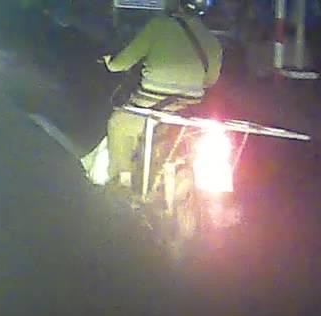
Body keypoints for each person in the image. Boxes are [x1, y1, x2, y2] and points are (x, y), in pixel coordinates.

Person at [92, 0, 224, 196]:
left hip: (153, 103)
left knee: (119, 124)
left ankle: (123, 180)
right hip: (189, 107)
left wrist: (110, 62)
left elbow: (121, 64)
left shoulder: (158, 27)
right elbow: (210, 80)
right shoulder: (211, 39)